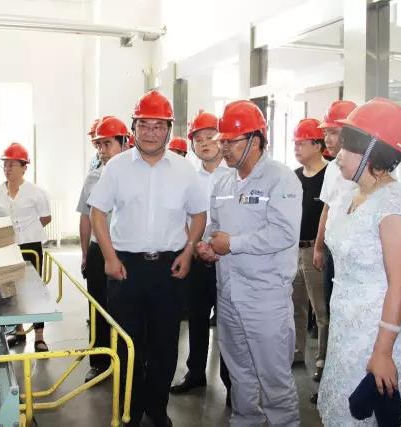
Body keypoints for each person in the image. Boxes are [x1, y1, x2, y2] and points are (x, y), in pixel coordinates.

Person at [88, 90, 207, 427]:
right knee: (127, 344)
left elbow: (199, 215)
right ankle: (130, 409)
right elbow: (97, 213)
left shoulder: (184, 170)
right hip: (126, 268)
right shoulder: (116, 167)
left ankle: (156, 408)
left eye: (159, 126)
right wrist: (109, 258)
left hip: (170, 268)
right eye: (144, 125)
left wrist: (188, 251)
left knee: (165, 344)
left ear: (168, 129)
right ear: (134, 127)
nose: (151, 132)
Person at [197, 100, 302, 426]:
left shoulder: (280, 179)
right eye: (223, 141)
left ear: (255, 140)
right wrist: (210, 246)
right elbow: (216, 226)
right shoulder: (223, 182)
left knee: (274, 379)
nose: (223, 148)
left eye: (231, 141)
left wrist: (232, 244)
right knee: (240, 374)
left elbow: (283, 233)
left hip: (264, 297)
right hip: (228, 294)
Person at [317, 98, 401, 426]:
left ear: (371, 152)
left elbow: (399, 285)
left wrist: (383, 352)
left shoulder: (395, 204)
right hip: (345, 327)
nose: (338, 154)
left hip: (376, 333)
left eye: (347, 147)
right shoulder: (349, 194)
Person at [170, 111, 231, 404]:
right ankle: (195, 373)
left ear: (222, 140)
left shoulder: (233, 175)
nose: (204, 143)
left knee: (228, 323)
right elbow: (181, 215)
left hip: (227, 260)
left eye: (210, 137)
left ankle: (232, 383)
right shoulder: (188, 177)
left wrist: (218, 247)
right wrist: (194, 247)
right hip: (195, 258)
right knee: (196, 319)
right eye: (198, 139)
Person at [76, 116, 129, 382]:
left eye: (107, 144)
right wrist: (86, 254)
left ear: (124, 142)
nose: (102, 151)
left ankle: (127, 360)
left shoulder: (136, 175)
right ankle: (99, 361)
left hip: (127, 251)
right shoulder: (93, 177)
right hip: (99, 250)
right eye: (99, 145)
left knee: (126, 309)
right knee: (97, 306)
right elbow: (86, 218)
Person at [0, 142, 52, 351]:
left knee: (34, 289)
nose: (7, 169)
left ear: (24, 167)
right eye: (5, 165)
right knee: (11, 288)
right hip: (8, 248)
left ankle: (39, 336)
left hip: (31, 246)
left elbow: (46, 217)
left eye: (12, 164)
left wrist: (27, 231)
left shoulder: (35, 192)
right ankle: (19, 330)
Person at [291, 118, 329, 404]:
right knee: (296, 305)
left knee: (321, 310)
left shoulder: (330, 175)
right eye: (295, 144)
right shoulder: (294, 177)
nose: (297, 148)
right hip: (294, 249)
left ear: (317, 145)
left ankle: (322, 359)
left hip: (317, 251)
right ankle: (296, 351)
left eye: (302, 143)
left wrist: (319, 247)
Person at [313, 100, 358, 315]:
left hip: (354, 253)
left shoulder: (366, 169)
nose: (327, 139)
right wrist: (319, 248)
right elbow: (327, 209)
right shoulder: (331, 168)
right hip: (333, 252)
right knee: (333, 307)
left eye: (333, 132)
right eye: (325, 133)